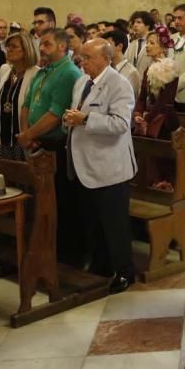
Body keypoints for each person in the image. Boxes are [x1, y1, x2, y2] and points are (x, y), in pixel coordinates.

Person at [64, 39, 138, 294]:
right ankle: (101, 266)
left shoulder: (119, 85)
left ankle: (125, 272)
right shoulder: (81, 82)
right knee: (92, 221)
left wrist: (85, 119)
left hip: (109, 166)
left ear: (105, 58)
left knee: (114, 224)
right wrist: (72, 119)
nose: (82, 62)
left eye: (88, 57)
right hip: (84, 164)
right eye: (81, 57)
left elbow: (120, 124)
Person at [18, 28, 84, 264]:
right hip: (36, 140)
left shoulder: (68, 73)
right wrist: (27, 133)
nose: (41, 49)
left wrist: (30, 134)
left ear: (62, 47)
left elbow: (56, 114)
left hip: (55, 145)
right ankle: (43, 244)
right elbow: (27, 103)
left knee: (59, 201)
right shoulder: (43, 70)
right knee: (40, 198)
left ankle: (64, 253)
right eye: (41, 44)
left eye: (46, 44)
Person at [0, 32, 38, 153]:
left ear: (26, 49)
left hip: (23, 137)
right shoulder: (5, 69)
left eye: (13, 46)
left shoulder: (36, 74)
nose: (9, 49)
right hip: (3, 136)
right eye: (7, 46)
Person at [133, 27, 178, 139]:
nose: (147, 46)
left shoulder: (170, 69)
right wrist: (138, 112)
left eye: (152, 43)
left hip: (163, 121)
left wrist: (147, 118)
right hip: (147, 117)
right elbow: (142, 96)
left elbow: (165, 101)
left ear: (162, 47)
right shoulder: (148, 69)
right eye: (147, 43)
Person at [126, 10, 156, 76]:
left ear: (147, 25)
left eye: (139, 22)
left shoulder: (155, 43)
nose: (135, 25)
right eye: (134, 22)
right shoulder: (132, 44)